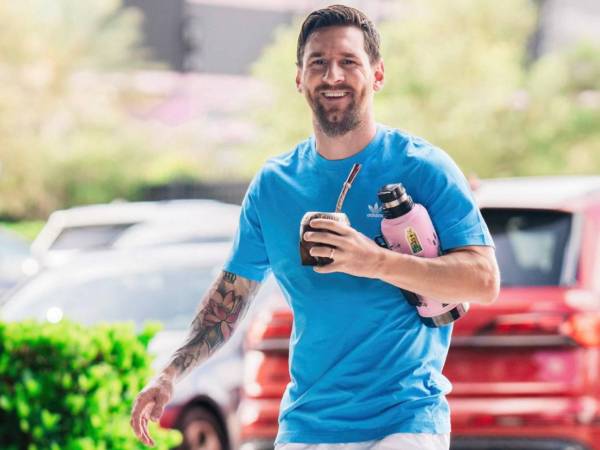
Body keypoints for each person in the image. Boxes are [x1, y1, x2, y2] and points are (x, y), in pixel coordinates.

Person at [130, 4, 500, 450]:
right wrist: (170, 374)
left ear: (378, 74)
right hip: (305, 426)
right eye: (318, 63)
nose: (332, 76)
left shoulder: (422, 167)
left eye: (348, 61)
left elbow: (483, 280)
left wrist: (374, 261)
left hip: (404, 420)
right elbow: (231, 294)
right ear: (299, 78)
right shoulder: (274, 185)